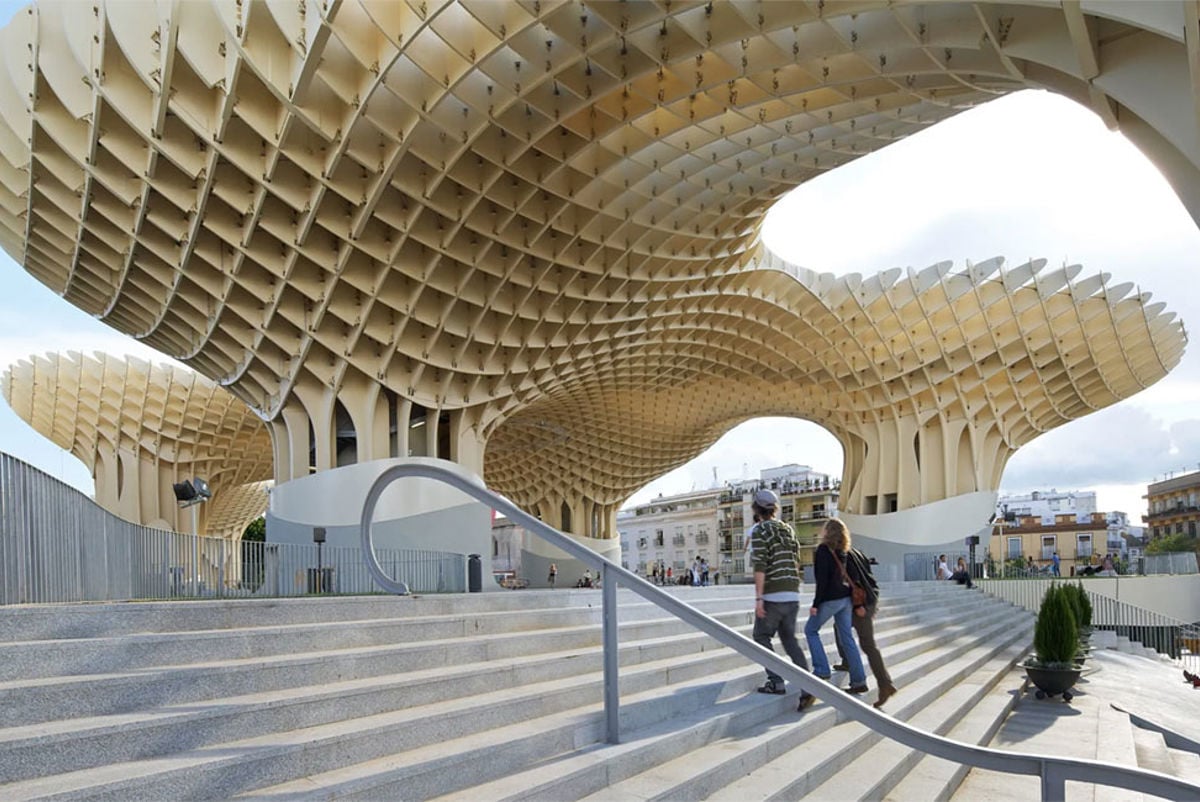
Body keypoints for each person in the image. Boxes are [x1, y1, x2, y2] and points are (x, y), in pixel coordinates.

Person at [749, 489, 816, 711]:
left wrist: (759, 598)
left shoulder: (760, 530)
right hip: (792, 592)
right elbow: (796, 560)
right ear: (775, 509)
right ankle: (808, 688)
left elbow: (760, 564)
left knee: (760, 636)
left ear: (756, 509)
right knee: (789, 641)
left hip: (773, 594)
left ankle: (776, 681)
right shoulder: (788, 530)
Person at [805, 519, 868, 695]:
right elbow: (854, 577)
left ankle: (821, 670)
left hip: (831, 599)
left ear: (828, 532)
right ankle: (859, 680)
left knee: (810, 630)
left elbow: (822, 581)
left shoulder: (823, 551)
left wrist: (816, 604)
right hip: (846, 600)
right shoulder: (845, 552)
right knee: (847, 638)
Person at [832, 545, 898, 708]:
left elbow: (853, 579)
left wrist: (858, 606)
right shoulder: (858, 552)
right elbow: (870, 578)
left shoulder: (843, 554)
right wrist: (872, 604)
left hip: (858, 605)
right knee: (840, 629)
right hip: (867, 602)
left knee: (866, 644)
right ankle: (882, 682)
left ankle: (883, 684)